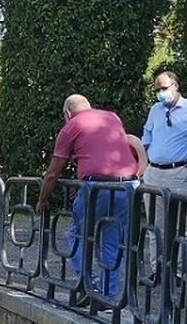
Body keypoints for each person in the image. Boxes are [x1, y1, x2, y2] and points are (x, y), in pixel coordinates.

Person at [36, 94, 147, 301]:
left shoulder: (71, 126)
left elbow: (53, 173)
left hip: (97, 187)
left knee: (77, 235)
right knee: (112, 240)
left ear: (67, 113)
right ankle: (109, 295)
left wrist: (42, 199)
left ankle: (90, 284)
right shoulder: (112, 118)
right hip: (129, 185)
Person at [140, 70, 187, 197]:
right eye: (157, 90)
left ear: (176, 86)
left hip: (179, 172)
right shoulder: (155, 109)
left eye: (164, 88)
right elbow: (147, 131)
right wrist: (144, 153)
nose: (161, 93)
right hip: (153, 173)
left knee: (178, 214)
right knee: (154, 216)